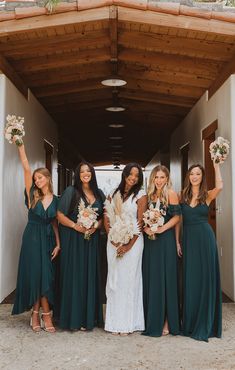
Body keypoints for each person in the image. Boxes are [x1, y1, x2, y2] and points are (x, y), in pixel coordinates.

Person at [12, 141, 60, 333]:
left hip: (48, 239)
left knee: (46, 275)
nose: (38, 181)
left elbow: (55, 223)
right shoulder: (32, 194)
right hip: (32, 238)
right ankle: (39, 314)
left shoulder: (57, 200)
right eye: (35, 178)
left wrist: (58, 243)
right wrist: (20, 143)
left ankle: (40, 313)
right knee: (35, 275)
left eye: (40, 178)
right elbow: (25, 165)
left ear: (48, 178)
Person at [177, 162, 223, 342]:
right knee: (191, 279)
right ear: (188, 176)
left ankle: (206, 322)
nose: (195, 176)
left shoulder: (207, 195)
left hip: (205, 240)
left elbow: (220, 185)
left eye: (198, 174)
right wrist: (177, 242)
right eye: (192, 174)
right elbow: (179, 220)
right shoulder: (182, 195)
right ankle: (190, 322)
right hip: (188, 240)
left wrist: (216, 165)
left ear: (202, 177)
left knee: (205, 278)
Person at [57, 161, 105, 330]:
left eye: (88, 171)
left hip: (91, 241)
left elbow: (104, 217)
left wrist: (96, 226)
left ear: (92, 174)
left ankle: (89, 319)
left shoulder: (99, 193)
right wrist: (75, 226)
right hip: (74, 241)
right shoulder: (71, 191)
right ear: (77, 174)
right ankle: (74, 318)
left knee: (90, 276)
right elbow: (60, 215)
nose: (86, 173)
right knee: (75, 276)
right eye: (82, 171)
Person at [104, 163, 147, 335]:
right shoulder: (114, 193)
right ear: (125, 174)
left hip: (133, 243)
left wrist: (128, 245)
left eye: (137, 175)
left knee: (130, 281)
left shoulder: (141, 195)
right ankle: (114, 323)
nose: (133, 177)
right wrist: (113, 238)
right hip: (114, 242)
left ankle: (129, 323)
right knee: (115, 281)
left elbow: (140, 222)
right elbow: (107, 217)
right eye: (131, 174)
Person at [142, 165, 181, 337]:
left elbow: (177, 217)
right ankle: (152, 318)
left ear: (167, 179)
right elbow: (144, 218)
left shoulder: (171, 194)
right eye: (156, 177)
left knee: (166, 279)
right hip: (151, 242)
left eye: (162, 177)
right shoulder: (150, 196)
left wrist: (162, 229)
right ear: (152, 179)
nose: (158, 180)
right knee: (153, 279)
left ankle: (167, 321)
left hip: (165, 241)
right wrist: (146, 228)